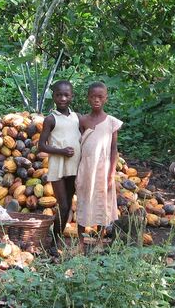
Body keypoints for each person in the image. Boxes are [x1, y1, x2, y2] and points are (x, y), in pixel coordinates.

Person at [76, 82, 123, 252]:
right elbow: (78, 144)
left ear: (106, 99)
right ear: (88, 98)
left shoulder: (112, 122)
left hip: (103, 169)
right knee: (83, 200)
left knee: (102, 203)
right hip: (86, 168)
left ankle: (99, 241)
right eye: (93, 97)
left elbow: (113, 149)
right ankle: (80, 242)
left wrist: (111, 174)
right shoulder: (82, 120)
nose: (96, 100)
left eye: (100, 97)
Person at [38, 80, 81, 245]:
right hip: (58, 166)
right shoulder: (50, 119)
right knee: (62, 205)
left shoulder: (77, 117)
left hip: (73, 166)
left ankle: (58, 239)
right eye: (59, 95)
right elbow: (41, 145)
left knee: (69, 205)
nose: (63, 98)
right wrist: (61, 151)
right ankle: (54, 243)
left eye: (66, 95)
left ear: (72, 96)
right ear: (54, 97)